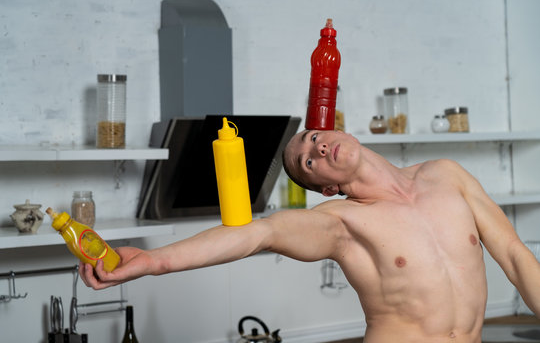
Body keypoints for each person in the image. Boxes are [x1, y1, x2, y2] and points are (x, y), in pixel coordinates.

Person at [80, 129, 540, 342]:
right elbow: (255, 235)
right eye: (309, 160)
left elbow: (516, 257)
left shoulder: (448, 176)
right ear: (327, 186)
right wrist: (153, 261)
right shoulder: (341, 223)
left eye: (315, 137)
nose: (317, 146)